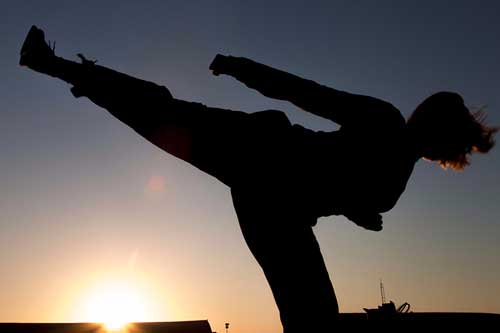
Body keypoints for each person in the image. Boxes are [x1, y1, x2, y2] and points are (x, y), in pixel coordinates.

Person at [19, 26, 496, 332]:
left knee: (314, 318)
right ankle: (53, 64)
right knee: (164, 114)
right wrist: (243, 69)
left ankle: (54, 65)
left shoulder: (394, 170)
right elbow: (309, 96)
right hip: (261, 155)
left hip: (275, 208)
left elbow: (336, 177)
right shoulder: (386, 130)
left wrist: (355, 209)